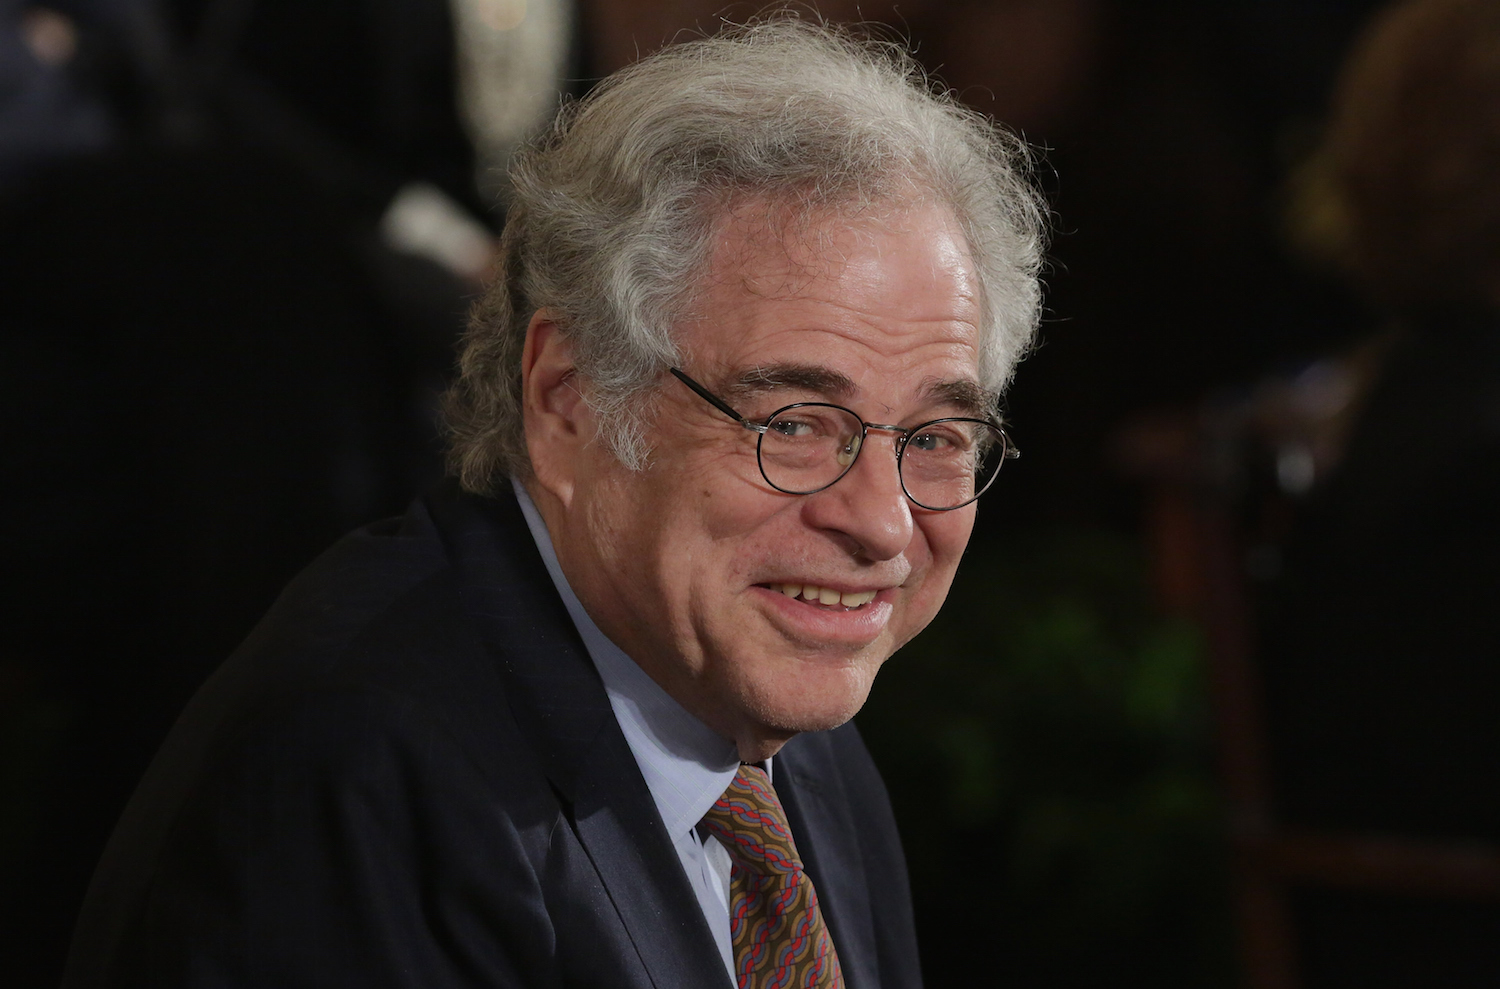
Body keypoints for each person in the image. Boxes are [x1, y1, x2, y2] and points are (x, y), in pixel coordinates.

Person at [62, 16, 1046, 989]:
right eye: (792, 423)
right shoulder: (367, 772)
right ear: (569, 400)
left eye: (934, 438)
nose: (879, 521)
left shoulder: (792, 739)